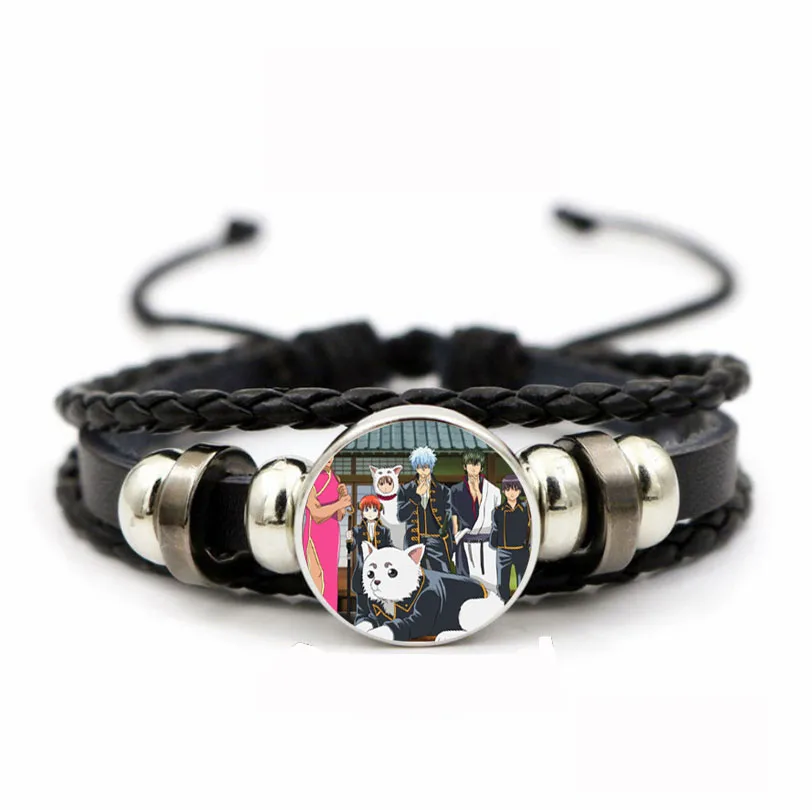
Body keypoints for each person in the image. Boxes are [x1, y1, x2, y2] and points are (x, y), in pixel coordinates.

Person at [303, 456, 352, 611]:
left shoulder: (335, 478)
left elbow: (340, 516)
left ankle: (331, 612)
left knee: (330, 577)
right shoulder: (310, 480)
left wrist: (342, 499)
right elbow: (316, 514)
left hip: (332, 533)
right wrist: (340, 503)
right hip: (314, 533)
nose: (329, 458)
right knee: (316, 577)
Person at [449, 449, 501, 588]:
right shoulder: (456, 490)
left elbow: (495, 517)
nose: (473, 468)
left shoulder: (492, 491)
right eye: (470, 464)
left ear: (481, 467)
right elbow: (454, 516)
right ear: (465, 466)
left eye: (477, 464)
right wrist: (454, 537)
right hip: (465, 540)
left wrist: (478, 492)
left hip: (487, 542)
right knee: (465, 583)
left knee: (489, 582)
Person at [397, 446, 453, 572]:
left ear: (431, 467)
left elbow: (449, 516)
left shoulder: (443, 490)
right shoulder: (405, 489)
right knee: (413, 574)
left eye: (426, 466)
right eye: (420, 466)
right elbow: (401, 516)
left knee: (443, 573)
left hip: (436, 539)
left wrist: (448, 537)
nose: (423, 470)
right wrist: (416, 496)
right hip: (414, 540)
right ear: (415, 467)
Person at [346, 495, 392, 625]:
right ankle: (361, 621)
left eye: (374, 509)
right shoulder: (357, 530)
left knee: (378, 602)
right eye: (367, 509)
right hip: (362, 570)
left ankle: (378, 623)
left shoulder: (384, 531)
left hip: (380, 572)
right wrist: (349, 539)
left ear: (378, 512)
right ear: (362, 512)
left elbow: (389, 548)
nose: (370, 513)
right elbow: (351, 548)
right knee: (362, 603)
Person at [489, 474, 531, 603]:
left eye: (515, 489)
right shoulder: (498, 511)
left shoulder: (526, 509)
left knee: (522, 581)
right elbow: (495, 529)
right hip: (503, 552)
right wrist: (494, 544)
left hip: (521, 550)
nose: (512, 493)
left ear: (519, 490)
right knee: (502, 584)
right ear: (503, 491)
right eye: (508, 489)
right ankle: (503, 604)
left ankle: (521, 605)